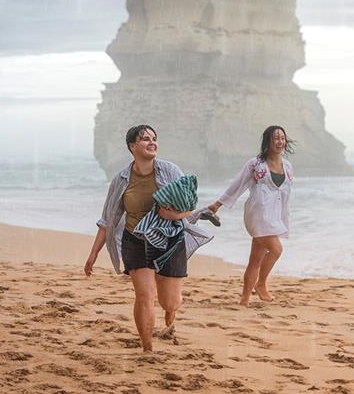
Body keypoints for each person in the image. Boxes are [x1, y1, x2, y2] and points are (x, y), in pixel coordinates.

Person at [83, 125, 212, 351]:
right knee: (145, 295)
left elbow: (189, 206)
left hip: (169, 240)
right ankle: (147, 348)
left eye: (154, 138)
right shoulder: (121, 179)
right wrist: (93, 253)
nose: (151, 142)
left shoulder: (170, 171)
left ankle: (171, 313)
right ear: (132, 146)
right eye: (145, 139)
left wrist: (171, 214)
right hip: (136, 240)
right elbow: (108, 219)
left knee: (169, 301)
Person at [208, 125, 294, 307]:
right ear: (268, 141)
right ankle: (261, 284)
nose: (280, 142)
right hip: (258, 215)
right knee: (277, 250)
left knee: (255, 260)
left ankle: (244, 300)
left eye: (282, 138)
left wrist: (283, 218)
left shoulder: (287, 166)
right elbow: (237, 185)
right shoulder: (255, 164)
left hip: (274, 216)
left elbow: (284, 194)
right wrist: (218, 204)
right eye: (275, 138)